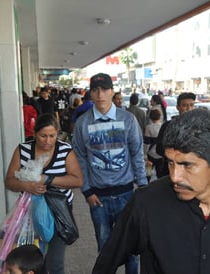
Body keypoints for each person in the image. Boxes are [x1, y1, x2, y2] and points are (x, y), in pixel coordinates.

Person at [92, 108, 210, 274]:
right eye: (171, 162)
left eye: (187, 165)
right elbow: (106, 263)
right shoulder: (147, 203)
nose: (174, 176)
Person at [72, 72, 147, 274]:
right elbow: (79, 157)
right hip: (98, 198)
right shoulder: (83, 123)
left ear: (112, 91)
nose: (100, 94)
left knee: (132, 248)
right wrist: (86, 191)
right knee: (105, 249)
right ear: (90, 93)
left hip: (126, 195)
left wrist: (142, 187)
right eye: (95, 90)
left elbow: (137, 153)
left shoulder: (128, 119)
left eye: (105, 89)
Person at [5, 113, 83, 274]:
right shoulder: (23, 150)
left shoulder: (65, 150)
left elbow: (77, 180)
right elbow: (9, 181)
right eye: (43, 136)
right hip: (29, 214)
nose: (47, 141)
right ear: (34, 134)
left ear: (58, 133)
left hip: (58, 214)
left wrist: (46, 179)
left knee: (55, 263)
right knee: (30, 262)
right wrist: (26, 186)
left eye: (52, 136)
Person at [155, 92, 195, 177]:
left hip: (192, 173)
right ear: (178, 107)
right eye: (185, 105)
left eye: (191, 105)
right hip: (170, 172)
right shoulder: (168, 126)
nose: (189, 108)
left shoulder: (199, 128)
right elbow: (159, 149)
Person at [143, 109, 163, 181]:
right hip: (161, 154)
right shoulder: (163, 126)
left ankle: (146, 186)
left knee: (148, 172)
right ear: (160, 117)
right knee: (160, 174)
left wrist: (145, 154)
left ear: (150, 117)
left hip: (151, 154)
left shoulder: (149, 127)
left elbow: (147, 142)